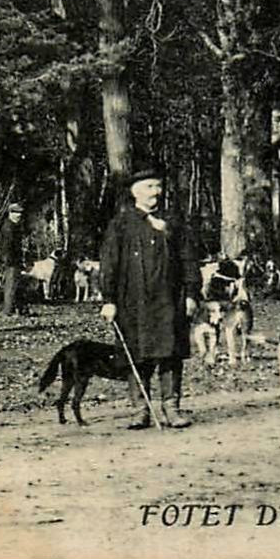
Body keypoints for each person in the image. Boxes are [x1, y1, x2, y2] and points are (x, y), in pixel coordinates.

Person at [98, 168, 200, 429]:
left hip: (170, 299)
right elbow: (110, 264)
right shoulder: (121, 224)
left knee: (171, 354)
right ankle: (140, 409)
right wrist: (108, 299)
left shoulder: (173, 221)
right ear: (135, 192)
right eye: (149, 186)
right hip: (133, 302)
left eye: (158, 186)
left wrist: (190, 293)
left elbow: (188, 259)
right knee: (137, 354)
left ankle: (171, 407)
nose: (156, 192)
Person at [0, 201, 28, 316]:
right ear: (10, 213)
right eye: (16, 213)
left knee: (17, 285)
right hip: (11, 260)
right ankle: (8, 310)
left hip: (15, 259)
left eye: (20, 213)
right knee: (11, 286)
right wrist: (9, 259)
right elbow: (7, 246)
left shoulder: (14, 226)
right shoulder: (8, 227)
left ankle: (19, 309)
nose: (19, 215)